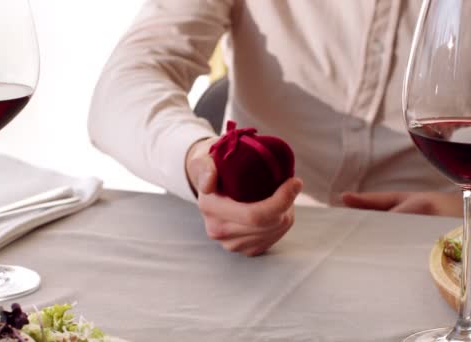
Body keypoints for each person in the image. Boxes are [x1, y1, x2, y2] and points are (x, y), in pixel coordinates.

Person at [88, 0, 461, 257]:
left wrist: (462, 212)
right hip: (269, 249)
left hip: (443, 253)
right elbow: (123, 85)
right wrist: (200, 161)